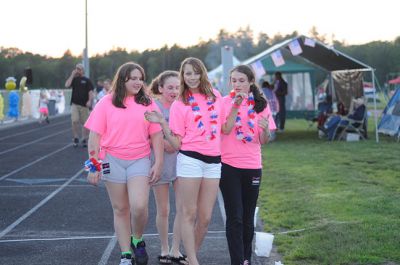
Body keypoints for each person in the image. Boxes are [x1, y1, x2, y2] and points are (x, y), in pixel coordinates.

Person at [144, 57, 243, 265]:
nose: (192, 77)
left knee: (205, 219)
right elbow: (177, 143)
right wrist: (163, 122)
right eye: (187, 73)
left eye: (195, 72)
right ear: (183, 75)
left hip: (214, 162)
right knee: (189, 213)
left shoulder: (215, 96)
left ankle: (190, 256)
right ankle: (194, 261)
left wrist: (235, 107)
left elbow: (225, 128)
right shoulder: (180, 103)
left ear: (202, 73)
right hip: (190, 160)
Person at [84, 62, 164, 265]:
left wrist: (159, 163)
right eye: (133, 78)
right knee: (120, 208)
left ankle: (137, 238)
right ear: (123, 79)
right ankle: (125, 254)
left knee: (139, 206)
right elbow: (94, 137)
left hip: (139, 159)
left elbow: (156, 136)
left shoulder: (148, 103)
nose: (138, 82)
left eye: (140, 78)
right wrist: (94, 166)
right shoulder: (106, 103)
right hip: (112, 160)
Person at [220, 65, 276, 265]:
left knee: (247, 215)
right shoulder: (225, 102)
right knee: (235, 216)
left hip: (253, 166)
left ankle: (246, 258)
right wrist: (235, 106)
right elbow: (225, 130)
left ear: (251, 82)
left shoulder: (261, 104)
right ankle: (237, 261)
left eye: (241, 80)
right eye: (234, 80)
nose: (237, 84)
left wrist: (265, 131)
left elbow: (264, 140)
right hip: (228, 166)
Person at [148, 71, 188, 264]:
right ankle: (164, 247)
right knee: (163, 209)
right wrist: (165, 144)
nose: (174, 91)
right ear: (161, 88)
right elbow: (145, 133)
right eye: (170, 87)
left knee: (182, 207)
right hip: (160, 161)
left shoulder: (184, 106)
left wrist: (177, 144)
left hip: (182, 161)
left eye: (177, 87)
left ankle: (175, 248)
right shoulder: (152, 107)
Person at [65, 63, 94, 147]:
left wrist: (89, 100)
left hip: (84, 105)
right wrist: (72, 75)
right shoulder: (74, 79)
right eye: (76, 68)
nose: (78, 70)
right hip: (75, 104)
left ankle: (85, 138)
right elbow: (67, 85)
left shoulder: (87, 80)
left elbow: (91, 92)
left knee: (85, 123)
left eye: (79, 69)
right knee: (74, 120)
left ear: (83, 70)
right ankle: (76, 137)